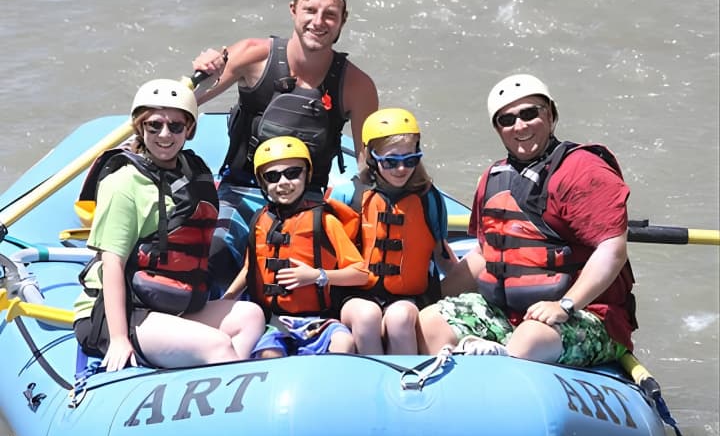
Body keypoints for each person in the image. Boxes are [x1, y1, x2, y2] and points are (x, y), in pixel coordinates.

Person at [417, 73, 638, 366]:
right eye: (506, 120)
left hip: (585, 313)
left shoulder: (584, 171)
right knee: (427, 321)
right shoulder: (494, 177)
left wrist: (565, 305)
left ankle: (505, 364)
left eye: (529, 114)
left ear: (550, 115)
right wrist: (431, 297)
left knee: (528, 340)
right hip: (508, 311)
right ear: (497, 129)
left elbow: (612, 250)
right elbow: (485, 253)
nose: (519, 126)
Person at [191, 0, 379, 294]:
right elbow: (182, 104)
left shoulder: (358, 86)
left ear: (342, 21)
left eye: (330, 15)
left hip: (307, 201)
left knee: (311, 281)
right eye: (310, 10)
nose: (318, 22)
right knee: (214, 257)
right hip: (242, 190)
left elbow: (369, 167)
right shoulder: (252, 55)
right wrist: (203, 68)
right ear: (293, 9)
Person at [73, 79, 267, 372]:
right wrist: (119, 339)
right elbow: (112, 264)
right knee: (218, 345)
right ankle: (226, 379)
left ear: (189, 129)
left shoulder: (192, 172)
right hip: (126, 312)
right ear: (140, 127)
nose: (165, 134)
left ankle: (213, 382)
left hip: (172, 303)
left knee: (251, 316)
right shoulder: (123, 183)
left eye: (176, 126)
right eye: (154, 125)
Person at [224, 136, 369, 358]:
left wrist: (316, 276)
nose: (283, 182)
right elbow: (249, 269)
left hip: (320, 320)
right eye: (272, 176)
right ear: (263, 183)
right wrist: (228, 298)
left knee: (344, 342)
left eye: (292, 173)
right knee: (269, 354)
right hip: (275, 320)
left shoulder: (325, 221)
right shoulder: (260, 221)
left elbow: (360, 274)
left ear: (306, 174)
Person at [332, 108, 458, 355]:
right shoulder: (348, 195)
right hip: (355, 296)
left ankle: (408, 382)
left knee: (399, 318)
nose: (401, 169)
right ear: (371, 156)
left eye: (410, 160)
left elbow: (441, 253)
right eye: (391, 161)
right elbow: (330, 253)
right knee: (367, 316)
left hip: (409, 298)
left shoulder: (429, 199)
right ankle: (371, 380)